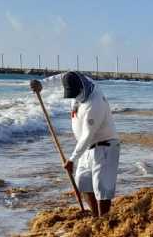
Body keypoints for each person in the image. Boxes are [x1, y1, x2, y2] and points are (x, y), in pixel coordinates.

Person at [32, 72, 120, 216]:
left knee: (102, 188)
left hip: (105, 146)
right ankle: (95, 216)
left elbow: (87, 135)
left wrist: (72, 159)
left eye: (76, 94)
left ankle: (103, 221)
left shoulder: (95, 103)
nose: (75, 98)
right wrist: (41, 84)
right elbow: (61, 77)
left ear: (82, 88)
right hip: (86, 148)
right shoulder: (78, 80)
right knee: (83, 181)